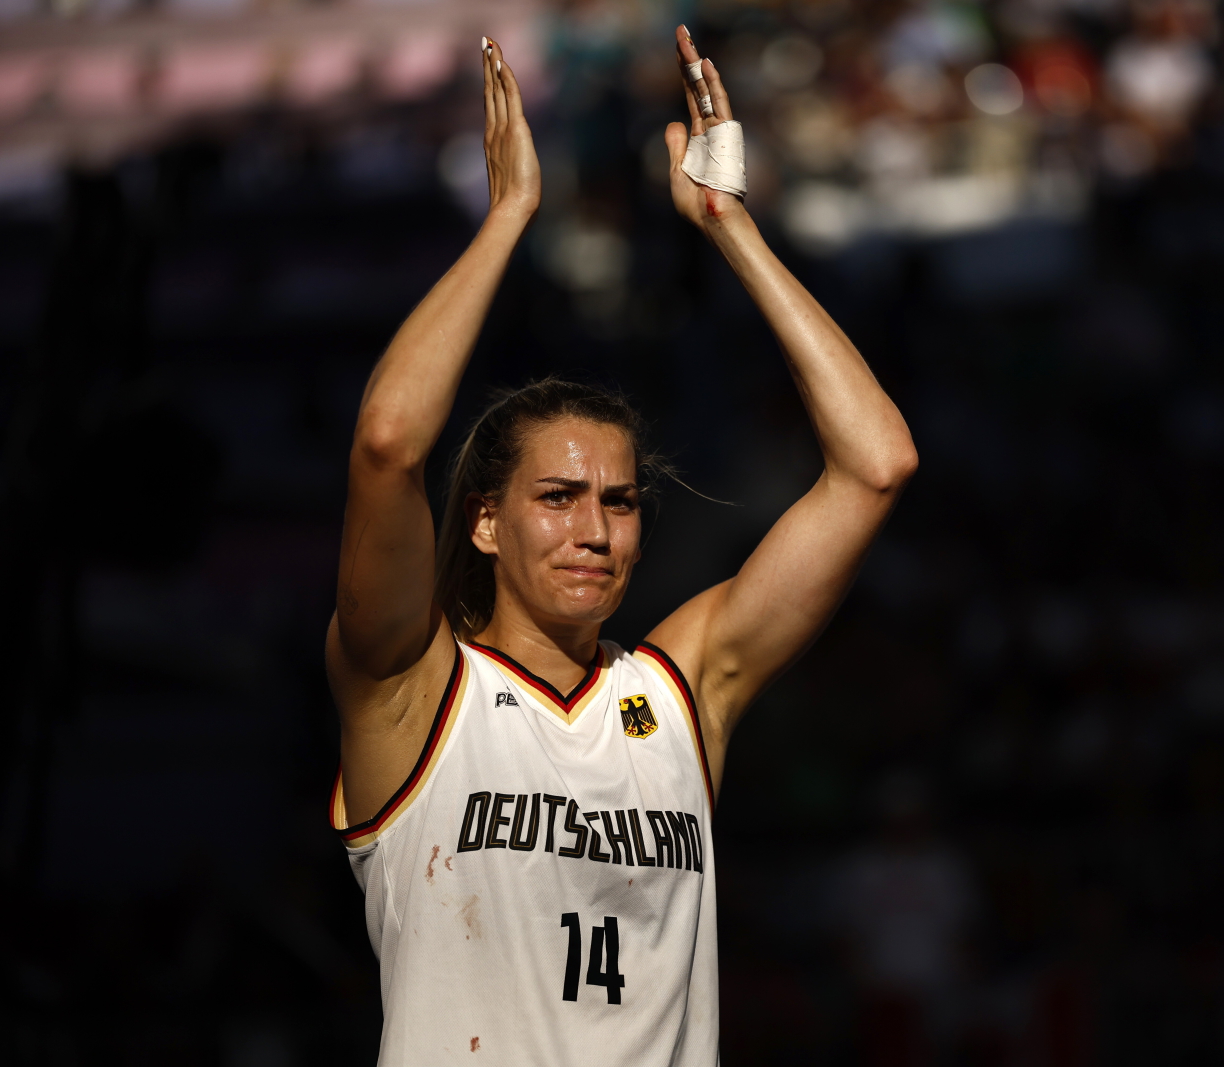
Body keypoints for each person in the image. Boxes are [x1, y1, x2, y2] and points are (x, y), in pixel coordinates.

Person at [325, 26, 917, 1067]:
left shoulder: (684, 688)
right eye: (556, 496)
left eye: (619, 498)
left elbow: (875, 464)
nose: (595, 527)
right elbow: (386, 444)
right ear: (483, 519)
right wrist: (508, 218)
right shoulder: (412, 690)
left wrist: (731, 229)